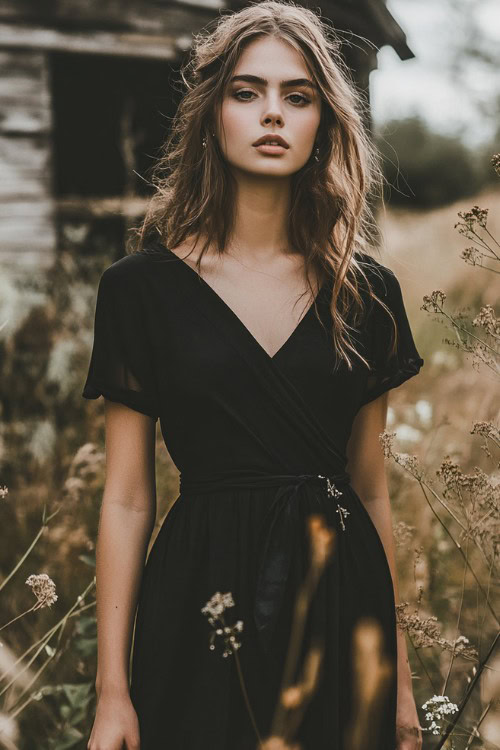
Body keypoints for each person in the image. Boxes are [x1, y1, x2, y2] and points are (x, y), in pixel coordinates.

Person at [82, 2, 425, 748]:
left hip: (338, 600)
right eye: (247, 92)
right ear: (213, 116)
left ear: (324, 122)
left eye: (297, 96)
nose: (273, 114)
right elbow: (128, 497)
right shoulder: (140, 290)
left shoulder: (365, 293)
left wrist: (395, 677)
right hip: (199, 597)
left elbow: (370, 488)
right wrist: (113, 691)